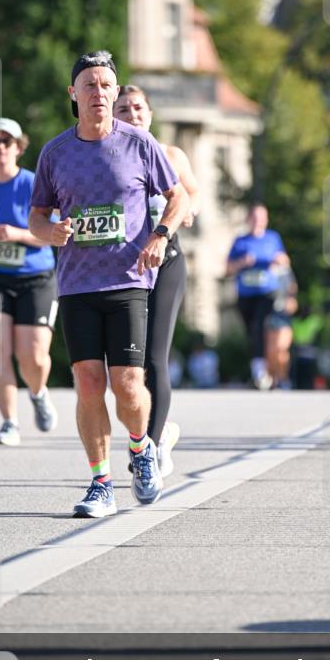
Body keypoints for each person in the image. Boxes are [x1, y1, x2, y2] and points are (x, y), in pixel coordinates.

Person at [28, 51, 188, 518]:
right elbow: (37, 217)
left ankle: (141, 451)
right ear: (73, 95)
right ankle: (100, 482)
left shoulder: (140, 144)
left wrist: (160, 235)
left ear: (115, 92)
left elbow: (176, 197)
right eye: (89, 85)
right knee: (88, 382)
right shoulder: (55, 153)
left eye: (105, 86)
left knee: (129, 384)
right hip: (77, 285)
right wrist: (49, 232)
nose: (99, 93)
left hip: (129, 280)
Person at [113, 84, 199, 477]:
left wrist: (184, 212)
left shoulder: (170, 155)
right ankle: (157, 435)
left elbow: (191, 195)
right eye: (125, 109)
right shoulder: (108, 157)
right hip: (123, 269)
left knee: (153, 359)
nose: (133, 114)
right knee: (127, 366)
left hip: (166, 262)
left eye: (138, 107)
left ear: (149, 113)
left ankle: (150, 446)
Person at [0, 118, 59, 445]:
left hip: (36, 276)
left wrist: (16, 233)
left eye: (8, 142)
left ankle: (38, 391)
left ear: (19, 147)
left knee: (32, 356)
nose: (1, 148)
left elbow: (54, 234)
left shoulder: (33, 184)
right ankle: (9, 423)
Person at [226, 204, 289, 390]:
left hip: (267, 292)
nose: (257, 221)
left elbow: (285, 260)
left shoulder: (273, 238)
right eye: (254, 217)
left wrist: (278, 261)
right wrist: (242, 263)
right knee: (251, 332)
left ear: (266, 220)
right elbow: (227, 268)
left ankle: (262, 372)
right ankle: (259, 369)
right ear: (248, 219)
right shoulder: (240, 241)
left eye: (261, 217)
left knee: (260, 328)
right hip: (246, 294)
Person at [264, 264, 298, 389]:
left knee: (282, 348)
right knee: (271, 350)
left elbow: (292, 288)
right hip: (267, 312)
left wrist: (291, 299)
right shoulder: (265, 269)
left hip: (283, 314)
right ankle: (273, 379)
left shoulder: (285, 271)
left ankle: (283, 379)